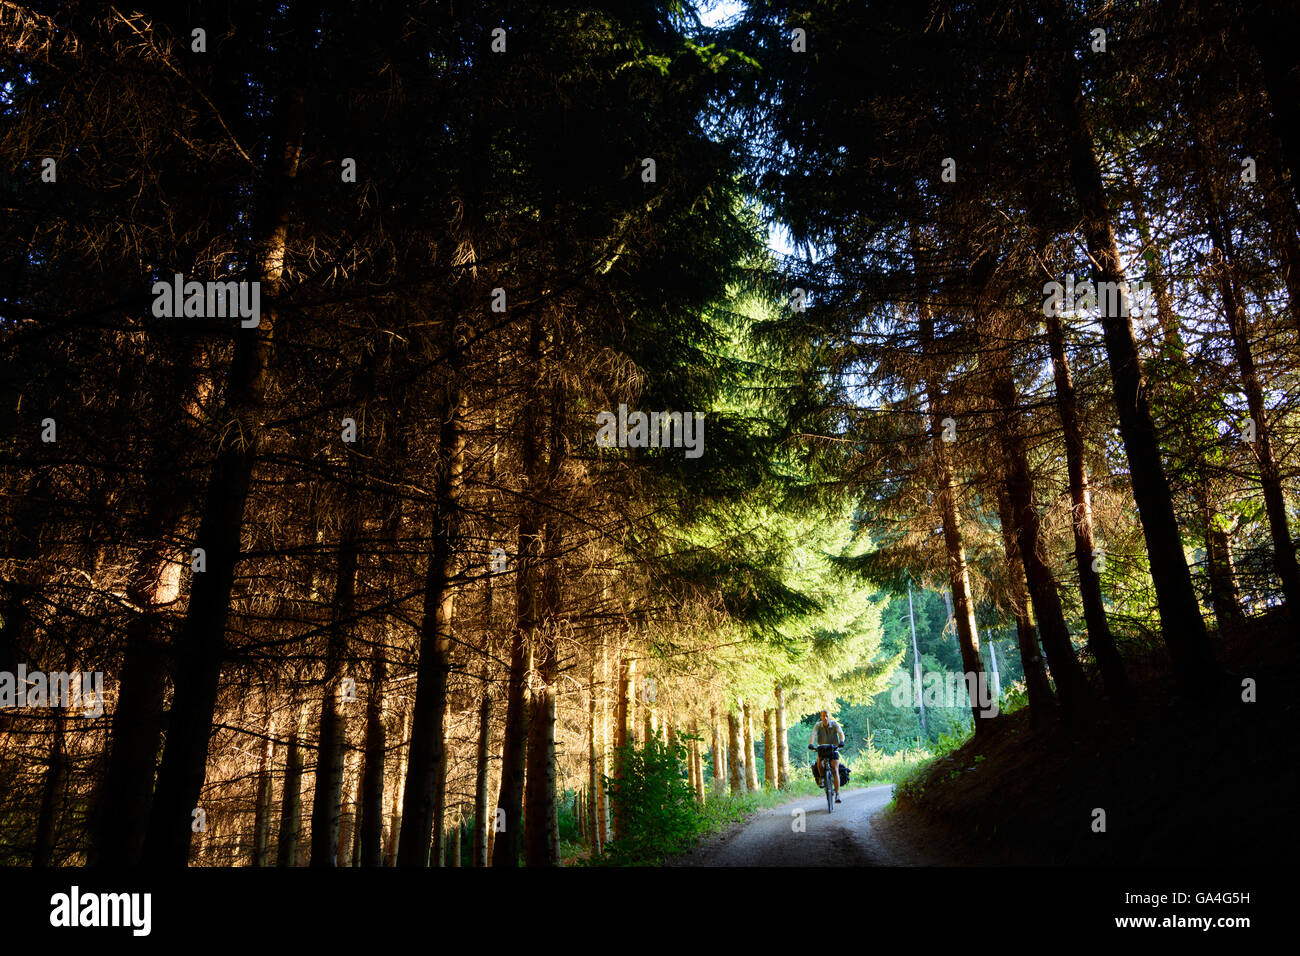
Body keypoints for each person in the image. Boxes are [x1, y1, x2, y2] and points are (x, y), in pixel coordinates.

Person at [808, 709, 845, 802]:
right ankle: (822, 778)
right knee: (819, 763)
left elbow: (841, 734)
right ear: (820, 717)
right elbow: (813, 734)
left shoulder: (835, 724)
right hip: (822, 747)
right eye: (823, 715)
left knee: (835, 769)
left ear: (829, 716)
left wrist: (842, 742)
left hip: (833, 748)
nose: (825, 717)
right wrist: (811, 744)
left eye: (826, 715)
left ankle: (837, 794)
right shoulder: (817, 725)